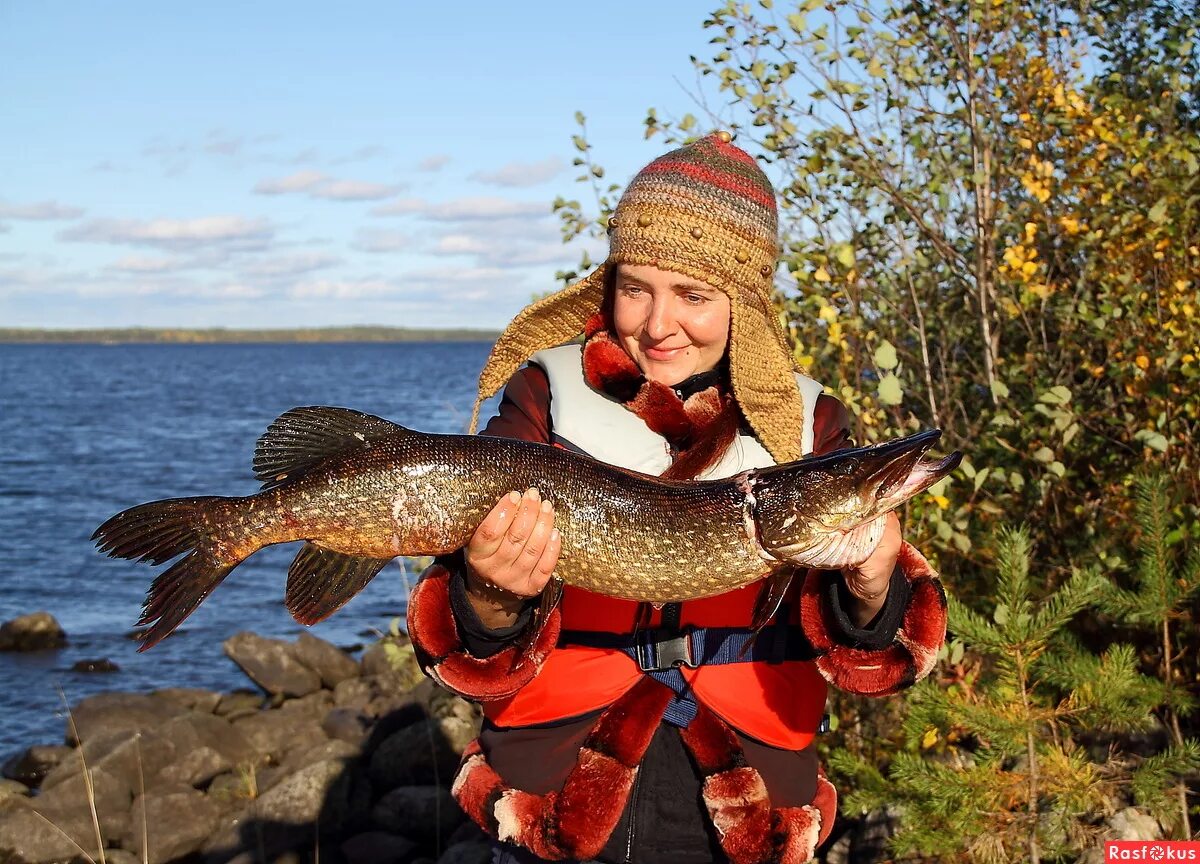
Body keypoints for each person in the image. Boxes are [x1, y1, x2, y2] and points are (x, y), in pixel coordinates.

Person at [407, 132, 947, 864]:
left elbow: (870, 656)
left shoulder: (811, 423)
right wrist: (490, 595)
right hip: (556, 789)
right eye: (635, 288)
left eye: (693, 295)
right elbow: (470, 636)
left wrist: (874, 588)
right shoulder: (544, 394)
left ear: (745, 300)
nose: (658, 325)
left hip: (748, 802)